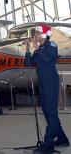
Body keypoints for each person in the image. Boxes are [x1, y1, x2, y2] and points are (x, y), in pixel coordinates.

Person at [24, 24, 69, 154]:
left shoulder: (51, 46)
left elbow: (48, 58)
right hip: (43, 83)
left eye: (37, 33)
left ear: (44, 35)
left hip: (51, 82)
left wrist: (36, 47)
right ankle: (62, 139)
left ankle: (48, 144)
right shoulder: (39, 49)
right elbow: (28, 63)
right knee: (47, 111)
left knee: (51, 112)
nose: (35, 35)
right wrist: (28, 48)